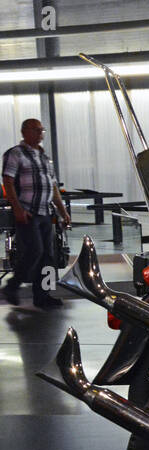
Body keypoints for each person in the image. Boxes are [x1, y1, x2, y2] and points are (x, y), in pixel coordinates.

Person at [3, 118, 70, 308]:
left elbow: (53, 186)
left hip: (45, 213)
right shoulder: (15, 154)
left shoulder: (44, 157)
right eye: (36, 130)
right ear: (25, 132)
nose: (40, 134)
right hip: (28, 212)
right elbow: (8, 181)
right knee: (35, 252)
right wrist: (17, 208)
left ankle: (43, 297)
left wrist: (62, 211)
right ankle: (12, 286)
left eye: (42, 130)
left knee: (48, 256)